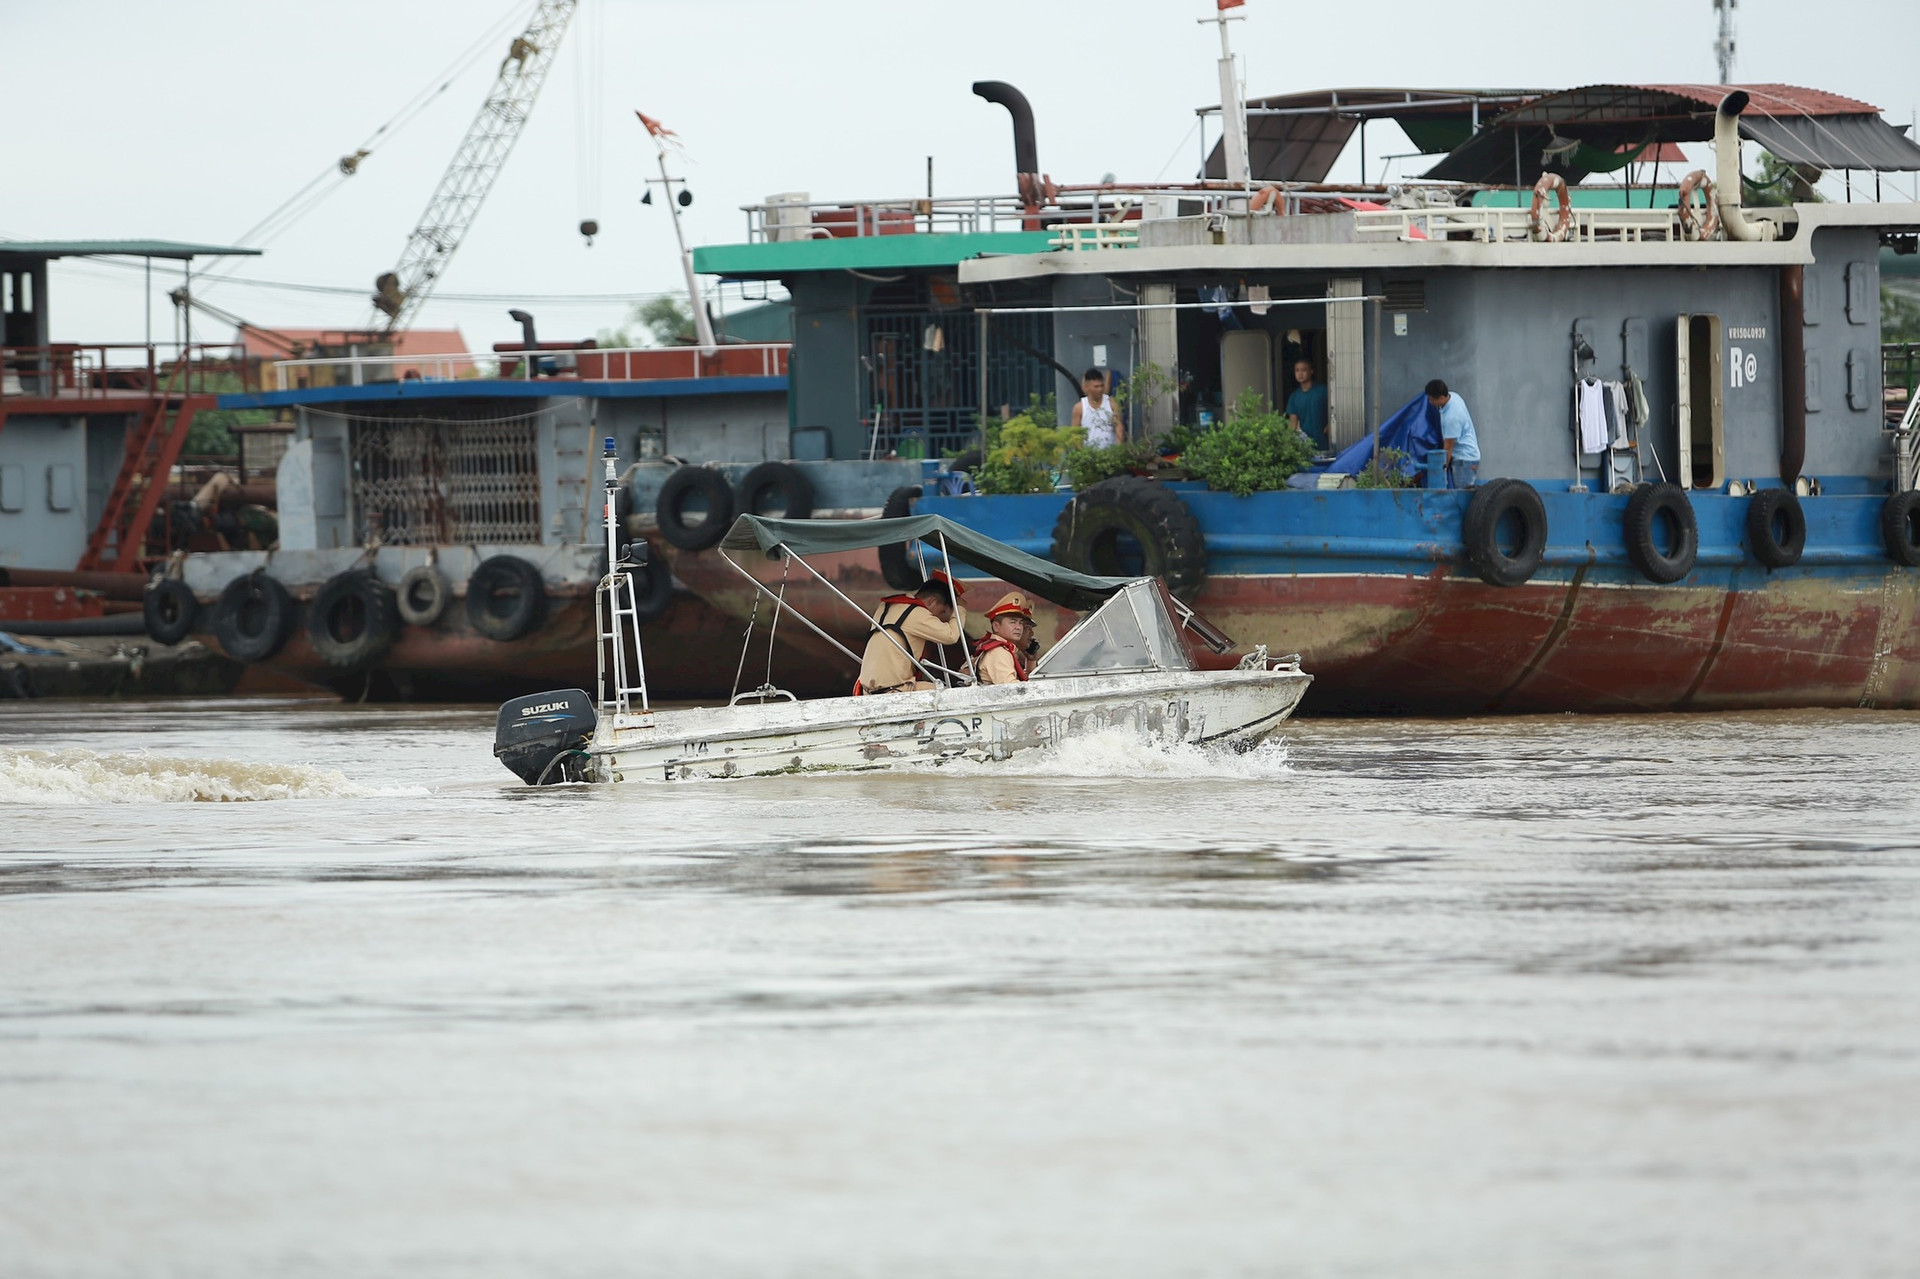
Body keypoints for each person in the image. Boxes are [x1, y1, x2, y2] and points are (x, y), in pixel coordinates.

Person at [855, 571, 967, 695]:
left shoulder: (885, 607)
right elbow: (951, 636)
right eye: (942, 612)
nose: (939, 618)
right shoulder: (917, 613)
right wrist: (960, 608)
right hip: (893, 690)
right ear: (932, 601)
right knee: (950, 695)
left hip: (867, 690)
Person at [1425, 378, 1481, 488]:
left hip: (1464, 460)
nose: (1430, 403)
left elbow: (1448, 446)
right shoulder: (1454, 396)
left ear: (1441, 398)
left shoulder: (1452, 418)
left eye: (1432, 400)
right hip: (1467, 456)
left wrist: (1442, 469)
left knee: (1462, 496)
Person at [973, 592, 1038, 685]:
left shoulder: (1003, 650)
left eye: (1020, 623)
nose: (1018, 627)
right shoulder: (998, 652)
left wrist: (1031, 661)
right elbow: (1011, 690)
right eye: (1013, 622)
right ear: (996, 626)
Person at [1070, 368, 1124, 448]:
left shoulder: (1112, 403)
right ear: (1087, 387)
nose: (1100, 389)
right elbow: (1075, 433)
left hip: (1110, 452)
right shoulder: (1079, 407)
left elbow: (1119, 427)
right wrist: (1080, 454)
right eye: (1096, 387)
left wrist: (1118, 448)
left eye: (1102, 386)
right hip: (1088, 453)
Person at [1284, 359, 1329, 449]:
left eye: (1304, 370)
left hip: (1326, 443)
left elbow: (1336, 409)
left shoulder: (1323, 391)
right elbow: (1293, 424)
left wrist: (1330, 426)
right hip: (1306, 446)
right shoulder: (1294, 397)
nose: (1300, 374)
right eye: (1297, 370)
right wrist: (1287, 444)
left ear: (1311, 371)